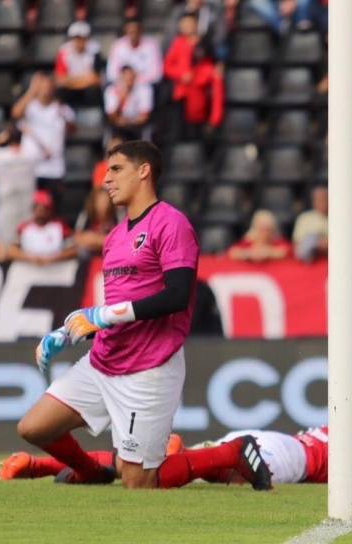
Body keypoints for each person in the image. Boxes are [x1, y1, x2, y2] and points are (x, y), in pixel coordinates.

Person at [17, 141, 271, 491]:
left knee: (139, 483)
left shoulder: (171, 223)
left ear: (144, 171)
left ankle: (229, 455)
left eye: (116, 169)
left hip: (148, 370)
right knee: (33, 427)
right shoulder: (114, 237)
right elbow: (119, 311)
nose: (107, 179)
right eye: (106, 171)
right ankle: (92, 471)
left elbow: (178, 296)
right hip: (104, 362)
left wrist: (104, 315)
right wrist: (71, 331)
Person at [0, 409, 352, 484]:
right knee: (174, 475)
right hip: (290, 459)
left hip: (274, 441)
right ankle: (182, 455)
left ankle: (39, 465)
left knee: (148, 470)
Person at [11, 73, 75, 205]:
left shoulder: (62, 108)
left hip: (54, 169)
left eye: (48, 85)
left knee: (52, 207)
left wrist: (64, 117)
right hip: (31, 168)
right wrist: (31, 92)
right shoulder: (29, 107)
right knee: (30, 208)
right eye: (42, 86)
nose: (46, 89)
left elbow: (72, 131)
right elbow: (15, 113)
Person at [163, 15, 224, 138]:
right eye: (184, 24)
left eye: (189, 23)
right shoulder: (178, 43)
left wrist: (214, 120)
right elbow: (166, 67)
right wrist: (181, 75)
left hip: (198, 111)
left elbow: (217, 94)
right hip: (179, 101)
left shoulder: (209, 67)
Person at [0, 126, 40, 246]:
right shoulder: (30, 153)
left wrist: (0, 138)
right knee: (20, 238)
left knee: (14, 238)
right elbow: (48, 153)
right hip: (16, 202)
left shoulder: (0, 155)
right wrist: (32, 134)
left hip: (16, 202)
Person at [7, 190, 77, 265]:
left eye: (45, 209)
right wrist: (31, 259)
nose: (41, 213)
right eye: (38, 209)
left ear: (50, 210)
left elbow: (73, 250)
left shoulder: (60, 227)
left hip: (56, 268)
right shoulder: (23, 228)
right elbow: (12, 251)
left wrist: (52, 259)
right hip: (28, 269)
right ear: (33, 209)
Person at [164, 0, 231, 67]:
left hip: (207, 46)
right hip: (183, 46)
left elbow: (219, 34)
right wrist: (188, 12)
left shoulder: (212, 10)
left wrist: (203, 42)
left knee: (220, 50)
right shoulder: (179, 11)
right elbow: (171, 33)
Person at [54, 21, 103, 107]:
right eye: (76, 38)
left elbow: (96, 78)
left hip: (87, 90)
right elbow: (60, 79)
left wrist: (71, 81)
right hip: (70, 90)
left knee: (94, 91)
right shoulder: (63, 51)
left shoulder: (95, 50)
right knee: (60, 91)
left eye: (82, 38)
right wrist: (85, 80)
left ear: (87, 38)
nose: (79, 41)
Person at [106, 18, 163, 86]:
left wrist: (136, 79)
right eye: (130, 32)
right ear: (125, 31)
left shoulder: (152, 45)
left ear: (141, 31)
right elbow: (111, 73)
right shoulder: (117, 46)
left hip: (145, 85)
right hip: (122, 85)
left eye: (135, 31)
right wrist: (126, 79)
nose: (133, 35)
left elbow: (157, 74)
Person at [104, 66, 154, 141]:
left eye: (131, 77)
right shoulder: (111, 90)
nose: (128, 81)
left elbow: (144, 116)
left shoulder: (144, 90)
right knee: (115, 137)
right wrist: (122, 99)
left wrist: (128, 122)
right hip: (118, 126)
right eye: (126, 78)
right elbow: (111, 116)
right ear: (121, 78)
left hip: (137, 126)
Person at [228, 209, 292, 262]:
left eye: (267, 229)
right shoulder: (248, 241)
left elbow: (285, 251)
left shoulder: (278, 241)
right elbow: (233, 252)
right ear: (255, 228)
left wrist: (267, 253)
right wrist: (249, 254)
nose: (264, 233)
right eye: (262, 229)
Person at [73, 188, 118, 257]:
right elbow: (77, 238)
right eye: (100, 201)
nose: (103, 204)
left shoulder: (117, 214)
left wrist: (96, 239)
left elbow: (119, 241)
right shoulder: (85, 214)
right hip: (89, 252)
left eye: (105, 201)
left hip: (110, 252)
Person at [292, 185, 327, 262]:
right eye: (318, 199)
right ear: (313, 201)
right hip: (309, 264)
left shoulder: (337, 219)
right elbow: (297, 245)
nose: (321, 202)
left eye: (324, 199)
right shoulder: (304, 218)